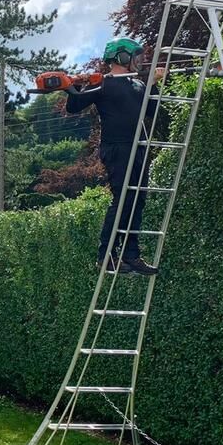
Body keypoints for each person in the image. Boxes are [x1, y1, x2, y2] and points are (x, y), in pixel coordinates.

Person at [65, 37, 163, 276]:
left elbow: (154, 111)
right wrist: (73, 85)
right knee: (123, 200)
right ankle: (105, 255)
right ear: (121, 57)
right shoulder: (104, 84)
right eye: (135, 57)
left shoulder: (138, 86)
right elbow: (74, 106)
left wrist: (153, 83)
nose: (139, 62)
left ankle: (131, 255)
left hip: (138, 146)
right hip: (116, 148)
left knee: (137, 200)